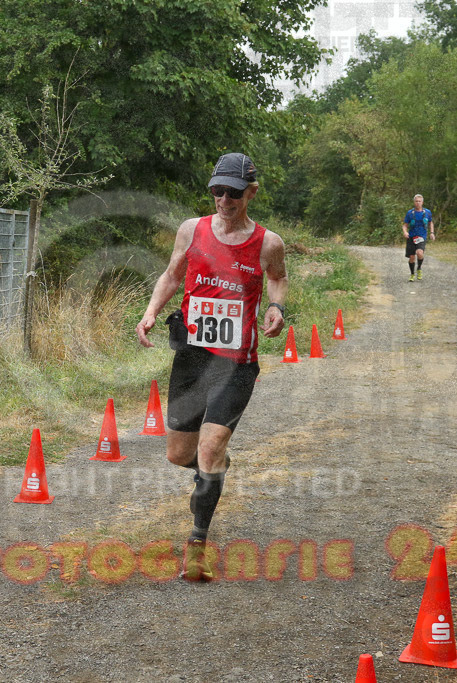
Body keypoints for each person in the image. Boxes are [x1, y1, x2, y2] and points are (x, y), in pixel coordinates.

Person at [135, 152, 288, 581]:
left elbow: (277, 277)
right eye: (217, 191)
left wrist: (275, 307)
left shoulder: (268, 243)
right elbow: (171, 274)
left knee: (208, 449)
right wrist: (150, 312)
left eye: (233, 193)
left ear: (251, 193)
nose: (224, 199)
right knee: (179, 454)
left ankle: (197, 544)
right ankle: (213, 469)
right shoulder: (193, 230)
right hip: (192, 357)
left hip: (237, 363)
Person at [402, 194, 435, 281]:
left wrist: (432, 233)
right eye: (416, 201)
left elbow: (430, 222)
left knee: (420, 253)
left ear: (422, 202)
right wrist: (405, 232)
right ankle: (412, 274)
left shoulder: (427, 212)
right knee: (412, 257)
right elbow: (405, 225)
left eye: (419, 201)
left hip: (422, 236)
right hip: (411, 237)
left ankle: (419, 268)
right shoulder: (410, 213)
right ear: (414, 202)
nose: (418, 203)